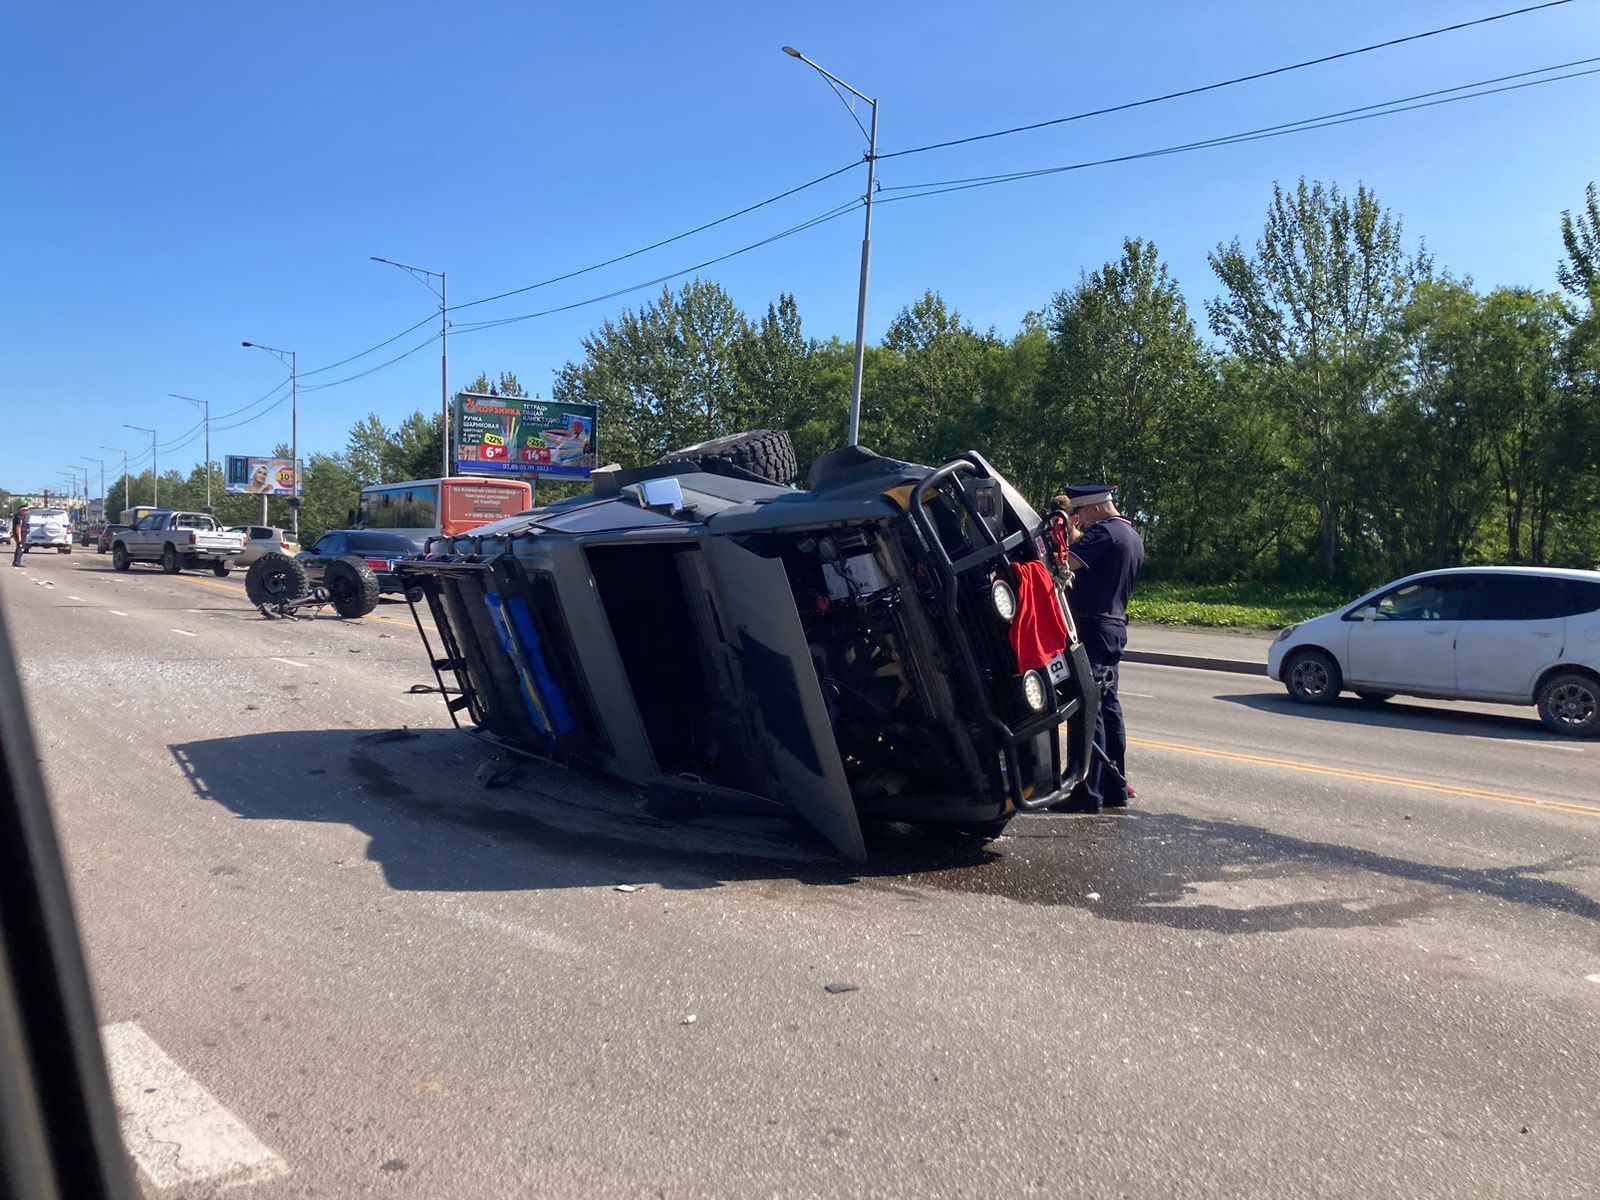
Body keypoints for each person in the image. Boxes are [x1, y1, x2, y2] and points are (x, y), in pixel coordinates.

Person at [1059, 484, 1144, 812]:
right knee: (1108, 708)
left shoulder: (1104, 534)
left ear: (1093, 508)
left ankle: (1087, 792)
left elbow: (1062, 565)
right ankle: (1114, 786)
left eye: (1080, 514)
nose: (1079, 521)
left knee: (1087, 709)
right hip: (1114, 627)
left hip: (1092, 627)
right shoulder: (1132, 535)